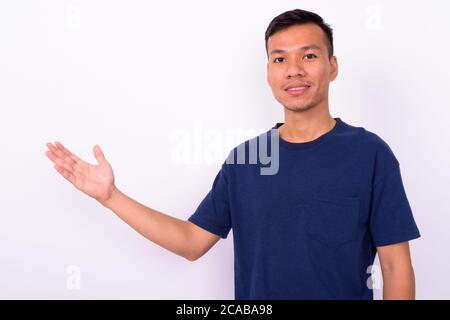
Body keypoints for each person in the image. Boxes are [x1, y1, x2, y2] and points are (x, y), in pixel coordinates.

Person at [45, 8, 420, 300]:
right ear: (268, 73)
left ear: (332, 66)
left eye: (308, 56)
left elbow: (394, 263)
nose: (293, 70)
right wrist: (111, 197)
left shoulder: (370, 154)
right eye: (279, 59)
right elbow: (192, 242)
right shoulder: (247, 159)